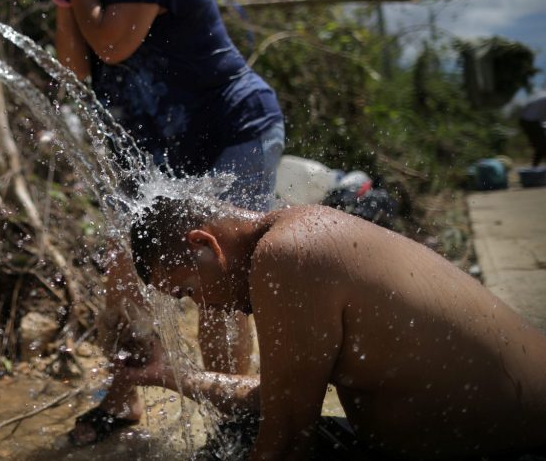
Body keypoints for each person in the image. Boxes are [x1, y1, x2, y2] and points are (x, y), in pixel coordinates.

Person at [29, 0, 285, 444]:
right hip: (170, 158)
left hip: (232, 129)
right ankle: (122, 402)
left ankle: (236, 426)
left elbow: (114, 45)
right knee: (124, 279)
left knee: (219, 276)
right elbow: (76, 69)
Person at [117, 196, 546, 460]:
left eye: (189, 289)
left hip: (517, 450)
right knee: (238, 436)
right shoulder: (296, 236)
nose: (204, 304)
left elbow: (288, 444)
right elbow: (276, 402)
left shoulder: (287, 255)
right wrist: (167, 376)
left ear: (203, 244)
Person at [520, 90, 546, 167]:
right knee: (543, 145)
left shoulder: (542, 96)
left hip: (527, 121)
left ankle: (534, 168)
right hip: (530, 121)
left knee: (541, 146)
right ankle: (534, 168)